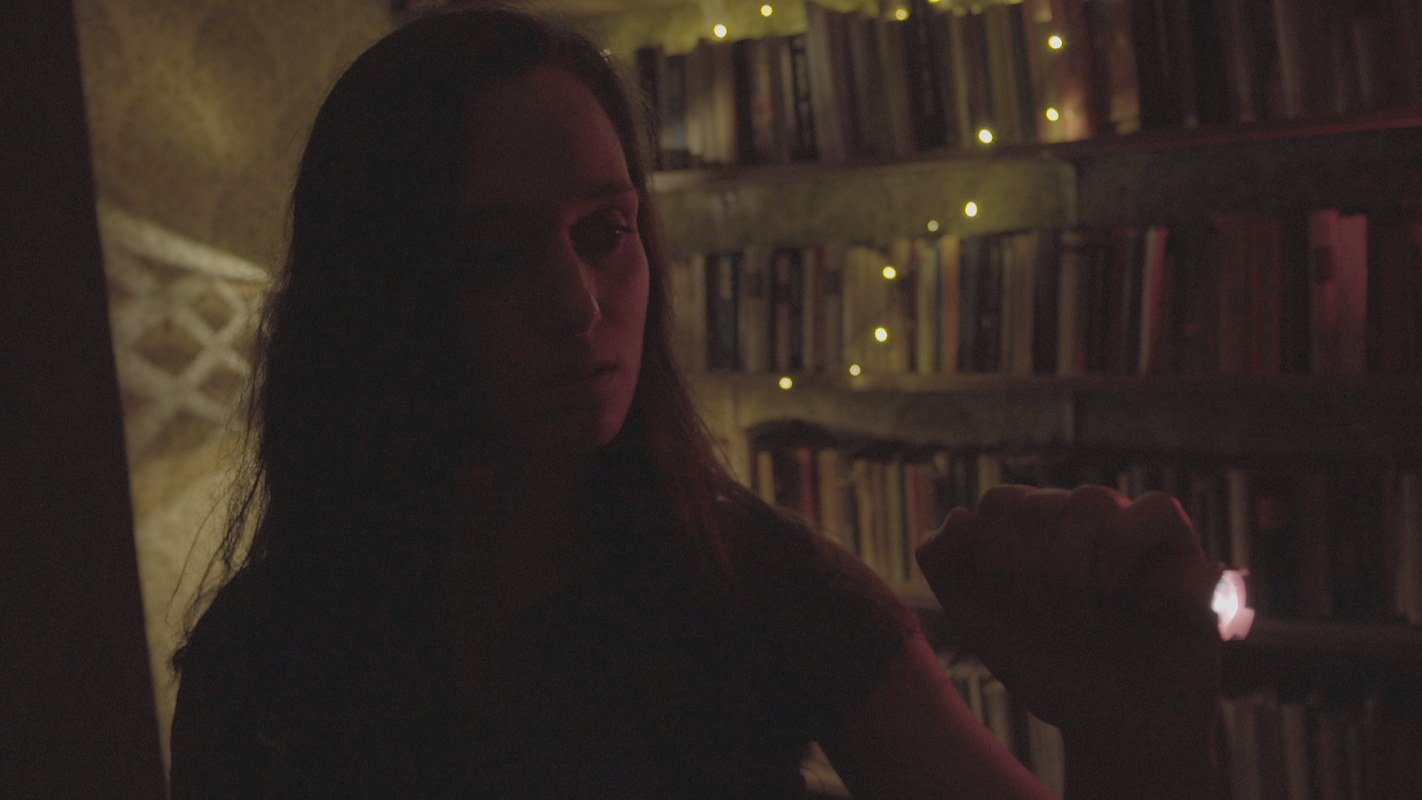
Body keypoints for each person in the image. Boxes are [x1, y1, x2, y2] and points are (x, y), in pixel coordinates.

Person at [168, 5, 1223, 798]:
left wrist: (1130, 737)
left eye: (606, 232)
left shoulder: (755, 582)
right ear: (378, 294)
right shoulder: (268, 658)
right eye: (489, 256)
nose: (577, 305)